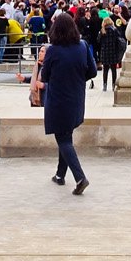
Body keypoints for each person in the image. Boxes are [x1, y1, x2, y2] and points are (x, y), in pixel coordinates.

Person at [41, 11, 97, 195]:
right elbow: (93, 72)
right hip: (76, 98)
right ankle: (59, 174)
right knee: (66, 136)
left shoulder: (53, 50)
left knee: (63, 139)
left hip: (58, 100)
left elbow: (45, 76)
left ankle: (80, 177)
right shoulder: (82, 45)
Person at [95, 17, 125, 91]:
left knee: (105, 70)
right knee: (113, 69)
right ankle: (113, 85)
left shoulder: (102, 30)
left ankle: (104, 85)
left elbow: (98, 41)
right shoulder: (114, 30)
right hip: (113, 52)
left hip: (105, 52)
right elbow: (119, 39)